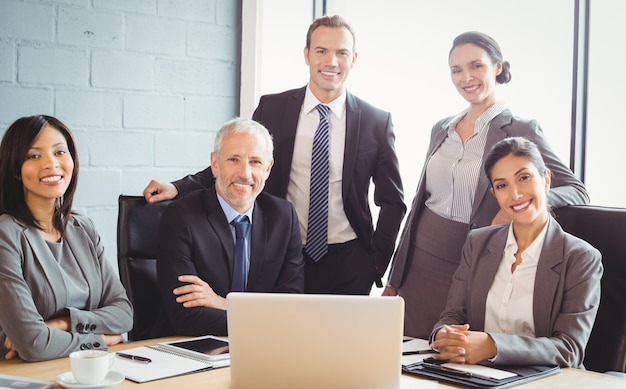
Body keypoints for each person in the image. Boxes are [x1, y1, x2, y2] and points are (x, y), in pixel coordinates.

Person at [143, 15, 406, 296]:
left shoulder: (376, 121)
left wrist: (376, 263)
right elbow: (239, 163)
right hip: (282, 254)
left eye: (341, 53)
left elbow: (392, 201)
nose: (331, 61)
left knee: (340, 340)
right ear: (307, 55)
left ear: (353, 58)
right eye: (321, 51)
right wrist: (178, 187)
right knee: (281, 334)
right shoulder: (273, 108)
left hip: (349, 261)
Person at [384, 31, 589, 338]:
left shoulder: (520, 129)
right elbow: (417, 207)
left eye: (476, 66)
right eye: (457, 70)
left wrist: (514, 208)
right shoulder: (442, 127)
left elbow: (576, 190)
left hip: (470, 260)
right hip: (419, 262)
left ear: (497, 67)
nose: (466, 76)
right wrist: (394, 277)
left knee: (453, 358)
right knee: (405, 360)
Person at [429, 137, 602, 368]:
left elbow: (569, 349)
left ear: (546, 179)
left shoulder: (580, 258)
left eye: (524, 178)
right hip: (477, 377)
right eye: (502, 185)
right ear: (494, 194)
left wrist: (493, 346)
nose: (516, 194)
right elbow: (453, 315)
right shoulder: (478, 243)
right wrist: (444, 335)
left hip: (545, 385)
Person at [152, 118, 305, 337]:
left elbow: (291, 310)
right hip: (194, 350)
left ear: (268, 168)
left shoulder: (283, 216)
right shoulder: (181, 217)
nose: (245, 173)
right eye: (234, 159)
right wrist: (268, 320)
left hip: (262, 351)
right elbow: (187, 316)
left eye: (255, 162)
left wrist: (223, 304)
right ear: (215, 164)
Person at [0, 115, 133, 362]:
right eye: (33, 156)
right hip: (23, 376)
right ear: (15, 170)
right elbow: (34, 344)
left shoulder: (83, 228)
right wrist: (100, 340)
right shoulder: (6, 234)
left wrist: (64, 322)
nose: (51, 164)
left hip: (87, 370)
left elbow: (124, 314)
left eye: (60, 152)